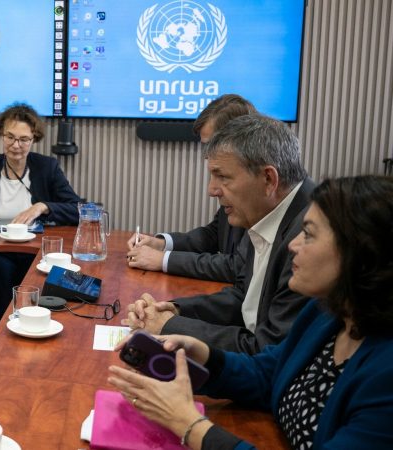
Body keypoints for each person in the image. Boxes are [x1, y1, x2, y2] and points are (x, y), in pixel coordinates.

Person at [109, 175, 393, 449]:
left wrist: (190, 426)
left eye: (307, 235)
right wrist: (201, 354)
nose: (293, 245)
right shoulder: (325, 314)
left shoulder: (385, 375)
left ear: (360, 256)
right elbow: (268, 374)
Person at [125, 114, 313, 354]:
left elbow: (266, 350)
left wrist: (169, 326)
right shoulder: (268, 212)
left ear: (268, 179)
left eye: (222, 176)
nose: (211, 190)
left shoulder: (309, 236)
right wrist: (174, 310)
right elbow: (243, 299)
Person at [0, 103, 83, 323]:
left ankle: (33, 323)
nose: (16, 145)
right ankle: (5, 328)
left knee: (38, 275)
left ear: (33, 139)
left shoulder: (47, 167)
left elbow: (77, 209)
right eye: (10, 137)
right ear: (1, 135)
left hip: (36, 252)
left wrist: (43, 206)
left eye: (24, 139)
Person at [127, 94, 256, 282]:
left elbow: (238, 266)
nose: (206, 155)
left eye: (211, 145)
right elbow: (213, 234)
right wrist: (160, 244)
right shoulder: (230, 184)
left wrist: (164, 260)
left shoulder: (255, 189)